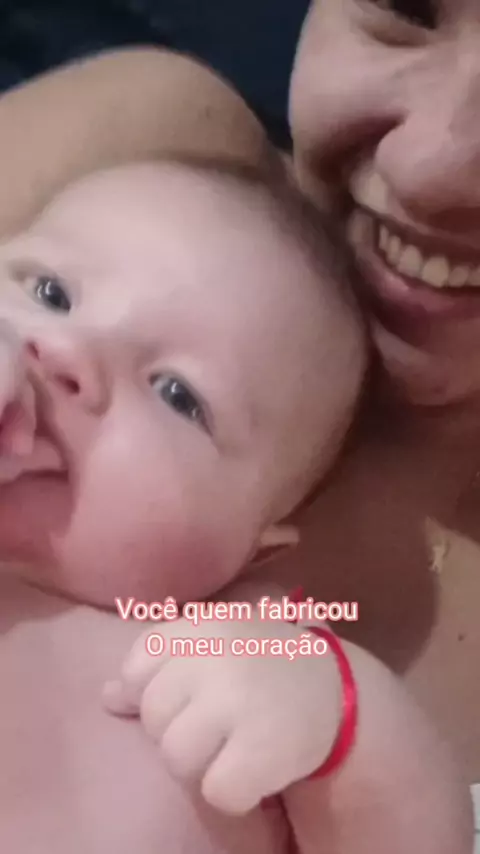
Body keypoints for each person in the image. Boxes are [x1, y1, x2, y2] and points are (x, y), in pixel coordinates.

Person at [0, 157, 471, 853]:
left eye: (178, 396)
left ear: (252, 548)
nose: (68, 351)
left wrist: (341, 727)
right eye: (50, 291)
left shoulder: (247, 644)